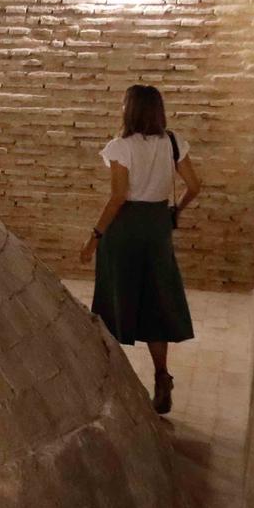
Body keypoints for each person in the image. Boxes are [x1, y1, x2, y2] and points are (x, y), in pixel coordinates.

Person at [82, 82, 202, 414]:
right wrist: (176, 210)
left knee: (113, 298)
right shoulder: (174, 143)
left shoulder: (120, 147)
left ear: (130, 109)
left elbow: (118, 197)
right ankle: (161, 376)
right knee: (156, 302)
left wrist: (94, 236)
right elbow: (195, 185)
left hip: (125, 230)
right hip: (157, 227)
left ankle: (108, 380)